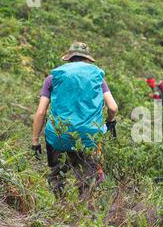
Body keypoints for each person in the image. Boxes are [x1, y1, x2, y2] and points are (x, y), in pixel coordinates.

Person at [31, 42, 118, 197]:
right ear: (87, 59)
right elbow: (113, 107)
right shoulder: (98, 78)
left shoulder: (53, 77)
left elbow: (40, 112)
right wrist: (109, 123)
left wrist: (35, 141)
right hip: (88, 137)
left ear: (69, 58)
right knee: (89, 177)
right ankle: (85, 207)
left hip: (59, 135)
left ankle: (59, 205)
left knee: (57, 175)